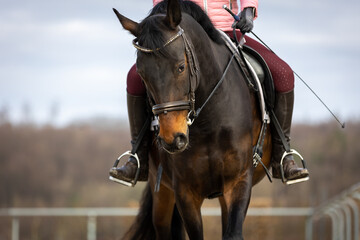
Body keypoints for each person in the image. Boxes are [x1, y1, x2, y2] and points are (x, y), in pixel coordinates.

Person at [109, 0, 309, 185]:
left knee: (284, 74)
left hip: (225, 30)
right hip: (180, 33)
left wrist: (249, 10)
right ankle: (138, 158)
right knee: (134, 78)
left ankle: (283, 155)